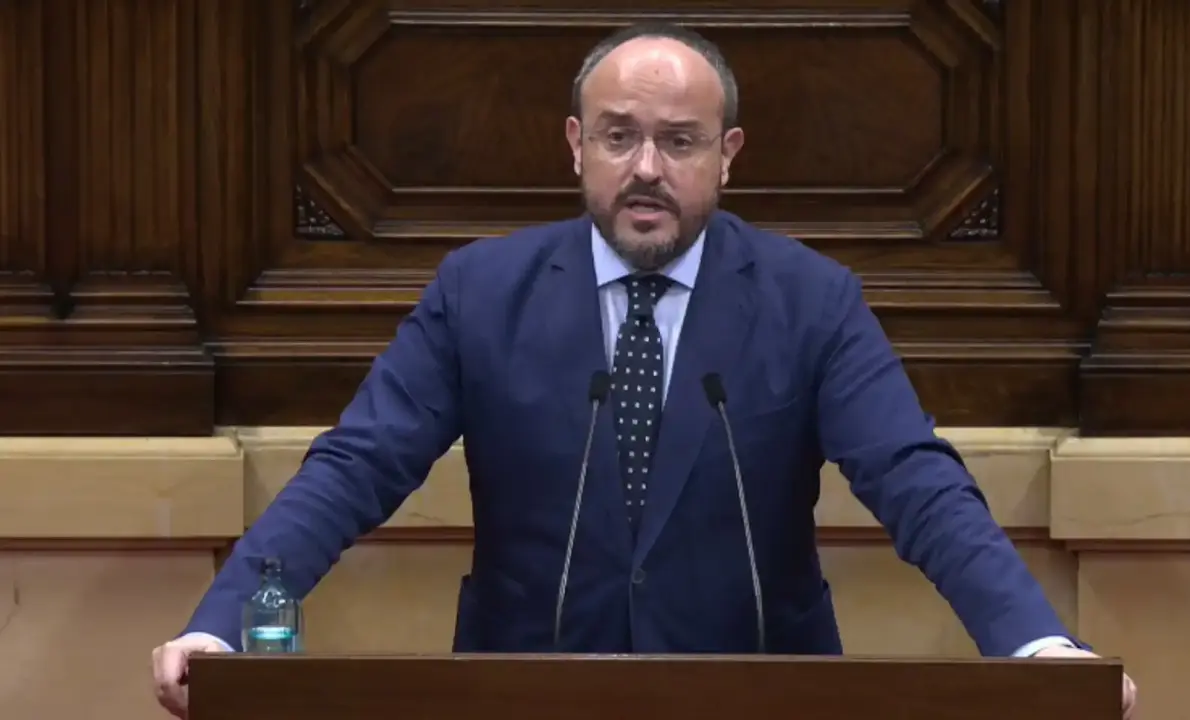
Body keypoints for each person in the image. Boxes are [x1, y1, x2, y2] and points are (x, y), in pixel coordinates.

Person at [151, 22, 1137, 719]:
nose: (646, 169)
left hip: (762, 697)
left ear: (727, 155)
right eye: (619, 137)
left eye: (678, 141)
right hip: (516, 700)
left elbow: (916, 483)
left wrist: (1035, 650)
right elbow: (355, 467)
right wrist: (224, 627)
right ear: (576, 146)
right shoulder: (480, 292)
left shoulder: (809, 299)